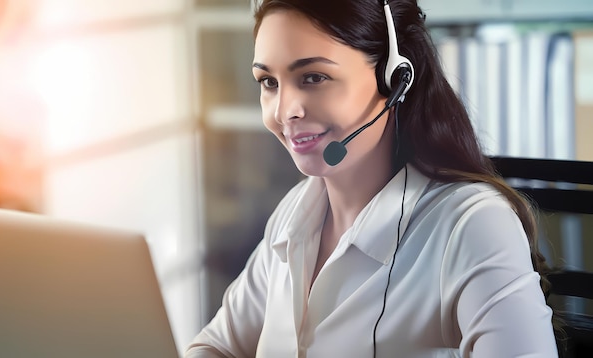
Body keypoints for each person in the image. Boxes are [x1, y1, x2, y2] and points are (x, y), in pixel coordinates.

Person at [186, 0, 559, 356]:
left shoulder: (471, 226)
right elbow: (216, 346)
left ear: (395, 79)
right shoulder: (295, 216)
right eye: (268, 82)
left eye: (313, 77)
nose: (285, 112)